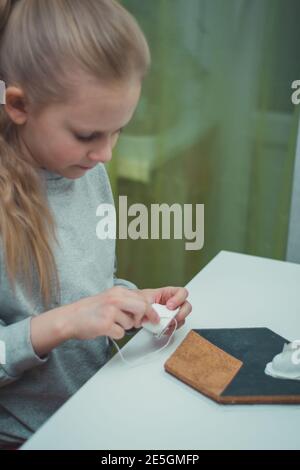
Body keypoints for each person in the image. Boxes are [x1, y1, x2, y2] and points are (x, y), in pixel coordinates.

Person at [0, 0, 192, 449]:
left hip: (92, 411)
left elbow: (80, 288)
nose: (106, 154)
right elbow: (66, 314)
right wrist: (65, 323)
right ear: (19, 104)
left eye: (118, 130)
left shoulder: (87, 172)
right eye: (88, 135)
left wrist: (131, 302)